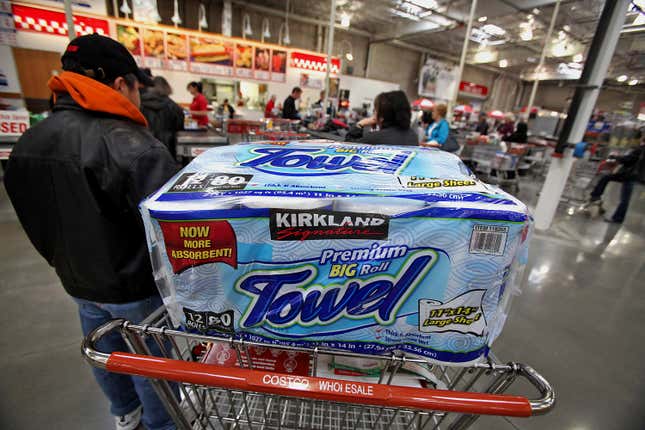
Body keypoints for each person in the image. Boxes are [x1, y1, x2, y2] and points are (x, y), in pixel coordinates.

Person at [3, 34, 179, 430]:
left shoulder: (29, 142)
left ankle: (124, 414)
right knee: (146, 360)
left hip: (78, 281)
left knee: (105, 351)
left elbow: (32, 217)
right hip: (136, 287)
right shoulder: (134, 146)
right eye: (137, 86)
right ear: (120, 85)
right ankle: (160, 425)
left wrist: (62, 262)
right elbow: (173, 232)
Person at [588, 135, 645, 223]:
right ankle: (596, 196)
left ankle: (596, 197)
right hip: (634, 176)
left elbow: (629, 160)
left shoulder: (640, 149)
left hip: (629, 175)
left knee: (608, 179)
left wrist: (616, 157)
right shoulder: (641, 149)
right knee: (623, 197)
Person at [346, 90, 418, 146]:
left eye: (376, 110)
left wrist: (360, 124)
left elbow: (347, 147)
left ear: (382, 116)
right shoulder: (413, 136)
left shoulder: (374, 139)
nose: (374, 113)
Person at [140, 75, 184, 158]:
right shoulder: (173, 106)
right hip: (168, 145)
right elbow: (179, 126)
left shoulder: (140, 104)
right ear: (167, 87)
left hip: (145, 144)